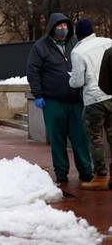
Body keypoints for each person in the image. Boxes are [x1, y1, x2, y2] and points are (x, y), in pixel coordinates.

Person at [27, 12, 93, 184]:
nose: (63, 29)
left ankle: (86, 171)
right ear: (52, 27)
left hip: (76, 100)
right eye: (60, 26)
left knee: (80, 138)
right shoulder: (40, 47)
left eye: (65, 26)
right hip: (53, 101)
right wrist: (38, 94)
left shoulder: (74, 43)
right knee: (57, 140)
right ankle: (61, 172)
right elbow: (33, 71)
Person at [68, 19, 112, 190]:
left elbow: (78, 81)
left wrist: (70, 79)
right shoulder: (108, 42)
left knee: (96, 139)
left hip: (94, 99)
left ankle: (100, 176)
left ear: (77, 34)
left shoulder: (78, 51)